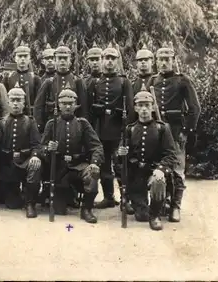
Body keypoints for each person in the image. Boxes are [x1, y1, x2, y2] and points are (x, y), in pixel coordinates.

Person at [146, 42, 201, 222]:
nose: (163, 63)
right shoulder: (152, 81)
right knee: (159, 167)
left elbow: (195, 108)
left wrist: (186, 132)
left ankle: (175, 207)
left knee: (177, 169)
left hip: (177, 132)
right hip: (158, 131)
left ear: (173, 60)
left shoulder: (182, 80)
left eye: (166, 60)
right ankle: (162, 202)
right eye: (160, 60)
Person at [116, 84, 178, 230]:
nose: (144, 109)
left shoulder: (162, 128)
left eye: (147, 105)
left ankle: (155, 215)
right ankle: (144, 206)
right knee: (141, 216)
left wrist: (160, 169)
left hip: (154, 171)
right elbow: (121, 158)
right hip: (136, 175)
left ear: (152, 107)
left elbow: (170, 155)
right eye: (140, 105)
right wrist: (121, 154)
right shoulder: (129, 129)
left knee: (158, 180)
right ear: (136, 108)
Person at [41, 88, 104, 223]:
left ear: (76, 105)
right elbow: (41, 147)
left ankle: (86, 209)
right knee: (59, 211)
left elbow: (97, 146)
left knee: (92, 173)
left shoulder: (83, 123)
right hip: (59, 169)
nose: (68, 106)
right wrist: (48, 148)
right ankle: (67, 197)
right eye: (64, 103)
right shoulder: (52, 124)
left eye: (71, 103)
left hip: (78, 166)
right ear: (59, 105)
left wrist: (94, 162)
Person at [87, 43, 135, 210]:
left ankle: (125, 199)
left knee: (121, 164)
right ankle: (108, 197)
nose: (109, 62)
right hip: (100, 129)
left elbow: (130, 108)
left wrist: (127, 130)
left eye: (112, 58)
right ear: (102, 60)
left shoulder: (124, 82)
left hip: (118, 129)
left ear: (117, 61)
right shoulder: (94, 82)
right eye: (106, 58)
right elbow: (89, 109)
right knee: (104, 164)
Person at [0, 85, 42, 218]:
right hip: (8, 164)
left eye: (19, 100)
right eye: (13, 100)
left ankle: (30, 203)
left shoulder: (30, 122)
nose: (16, 103)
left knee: (35, 166)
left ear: (24, 103)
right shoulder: (2, 122)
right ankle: (20, 194)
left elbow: (37, 144)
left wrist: (35, 156)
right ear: (8, 103)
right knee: (12, 204)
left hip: (25, 161)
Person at [33, 42, 88, 133]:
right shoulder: (49, 82)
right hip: (53, 123)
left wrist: (83, 126)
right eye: (59, 58)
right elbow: (38, 106)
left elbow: (84, 107)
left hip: (73, 124)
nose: (62, 61)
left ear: (70, 61)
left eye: (65, 58)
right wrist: (40, 125)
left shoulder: (77, 81)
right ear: (55, 60)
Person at [0, 42, 42, 113]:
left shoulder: (35, 78)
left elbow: (39, 102)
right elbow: (4, 99)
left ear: (29, 59)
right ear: (15, 58)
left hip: (30, 114)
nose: (22, 59)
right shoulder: (8, 78)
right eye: (20, 56)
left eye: (25, 56)